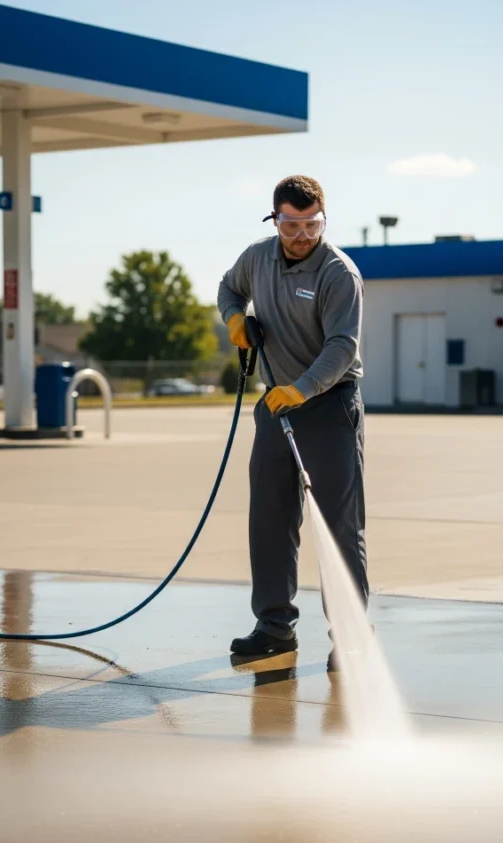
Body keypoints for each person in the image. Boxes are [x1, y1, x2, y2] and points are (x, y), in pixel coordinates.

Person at [217, 175, 368, 670]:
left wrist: (302, 388)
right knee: (271, 517)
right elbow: (228, 287)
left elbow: (342, 347)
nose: (301, 235)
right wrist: (234, 318)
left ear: (324, 220)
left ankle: (349, 637)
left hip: (328, 405)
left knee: (339, 526)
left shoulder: (337, 273)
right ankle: (274, 627)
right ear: (274, 219)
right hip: (275, 406)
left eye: (311, 224)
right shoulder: (257, 257)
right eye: (290, 224)